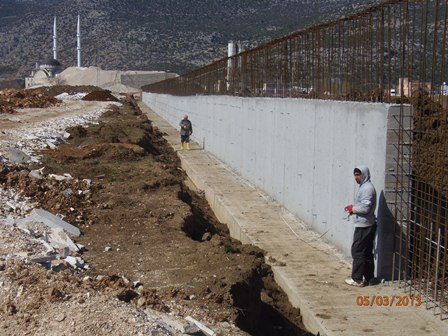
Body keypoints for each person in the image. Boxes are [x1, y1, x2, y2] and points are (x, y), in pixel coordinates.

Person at [345, 165, 377, 287]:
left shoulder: (367, 189)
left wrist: (352, 209)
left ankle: (357, 278)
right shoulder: (364, 187)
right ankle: (369, 278)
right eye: (355, 175)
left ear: (364, 175)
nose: (356, 177)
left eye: (358, 175)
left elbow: (365, 208)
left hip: (364, 225)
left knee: (358, 250)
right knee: (367, 251)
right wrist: (353, 208)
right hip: (367, 224)